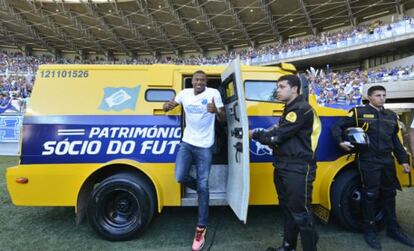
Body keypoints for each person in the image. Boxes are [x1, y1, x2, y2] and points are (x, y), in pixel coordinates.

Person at [331, 85, 413, 250]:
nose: (382, 98)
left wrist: (403, 161)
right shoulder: (358, 113)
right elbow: (337, 127)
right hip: (368, 160)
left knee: (389, 194)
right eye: (377, 95)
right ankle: (370, 230)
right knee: (370, 194)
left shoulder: (390, 116)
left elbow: (395, 142)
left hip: (387, 160)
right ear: (369, 98)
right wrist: (340, 141)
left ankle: (393, 229)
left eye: (383, 95)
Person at [250, 75, 321, 251]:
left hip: (297, 168)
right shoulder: (290, 108)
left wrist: (256, 134)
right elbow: (280, 135)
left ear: (295, 89)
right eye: (278, 87)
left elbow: (277, 136)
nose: (278, 90)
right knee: (289, 210)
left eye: (282, 87)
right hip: (283, 165)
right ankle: (288, 247)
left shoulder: (300, 109)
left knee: (301, 214)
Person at [163, 70, 225, 251]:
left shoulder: (213, 93)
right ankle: (200, 190)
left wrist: (216, 112)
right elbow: (171, 104)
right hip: (187, 143)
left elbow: (223, 117)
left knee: (204, 184)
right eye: (197, 80)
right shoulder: (184, 93)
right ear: (192, 81)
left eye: (203, 80)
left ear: (206, 82)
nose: (199, 82)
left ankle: (201, 228)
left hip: (205, 145)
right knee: (180, 176)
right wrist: (167, 106)